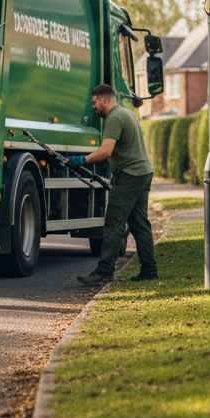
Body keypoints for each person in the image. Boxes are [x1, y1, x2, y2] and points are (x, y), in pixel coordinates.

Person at [70, 84, 157, 284]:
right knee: (139, 223)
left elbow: (106, 151)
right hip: (142, 172)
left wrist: (81, 160)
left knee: (114, 223)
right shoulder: (127, 114)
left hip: (130, 175)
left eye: (95, 103)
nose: (93, 107)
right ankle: (150, 270)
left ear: (105, 101)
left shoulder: (114, 118)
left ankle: (104, 271)